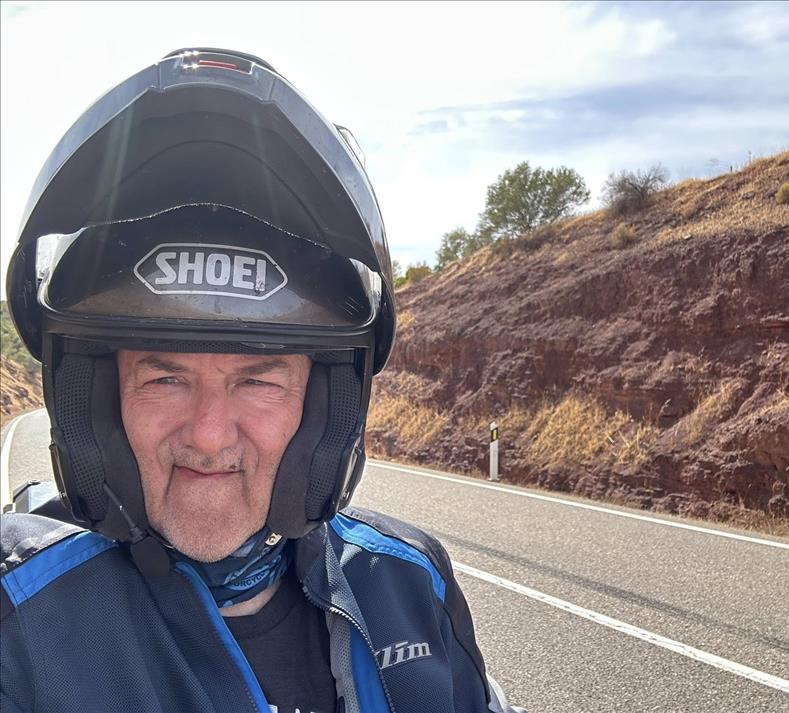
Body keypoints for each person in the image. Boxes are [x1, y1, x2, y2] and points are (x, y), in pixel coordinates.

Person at [0, 48, 521, 713]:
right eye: (165, 377)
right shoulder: (22, 618)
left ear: (323, 405)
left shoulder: (411, 586)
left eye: (258, 381)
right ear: (99, 402)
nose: (210, 436)